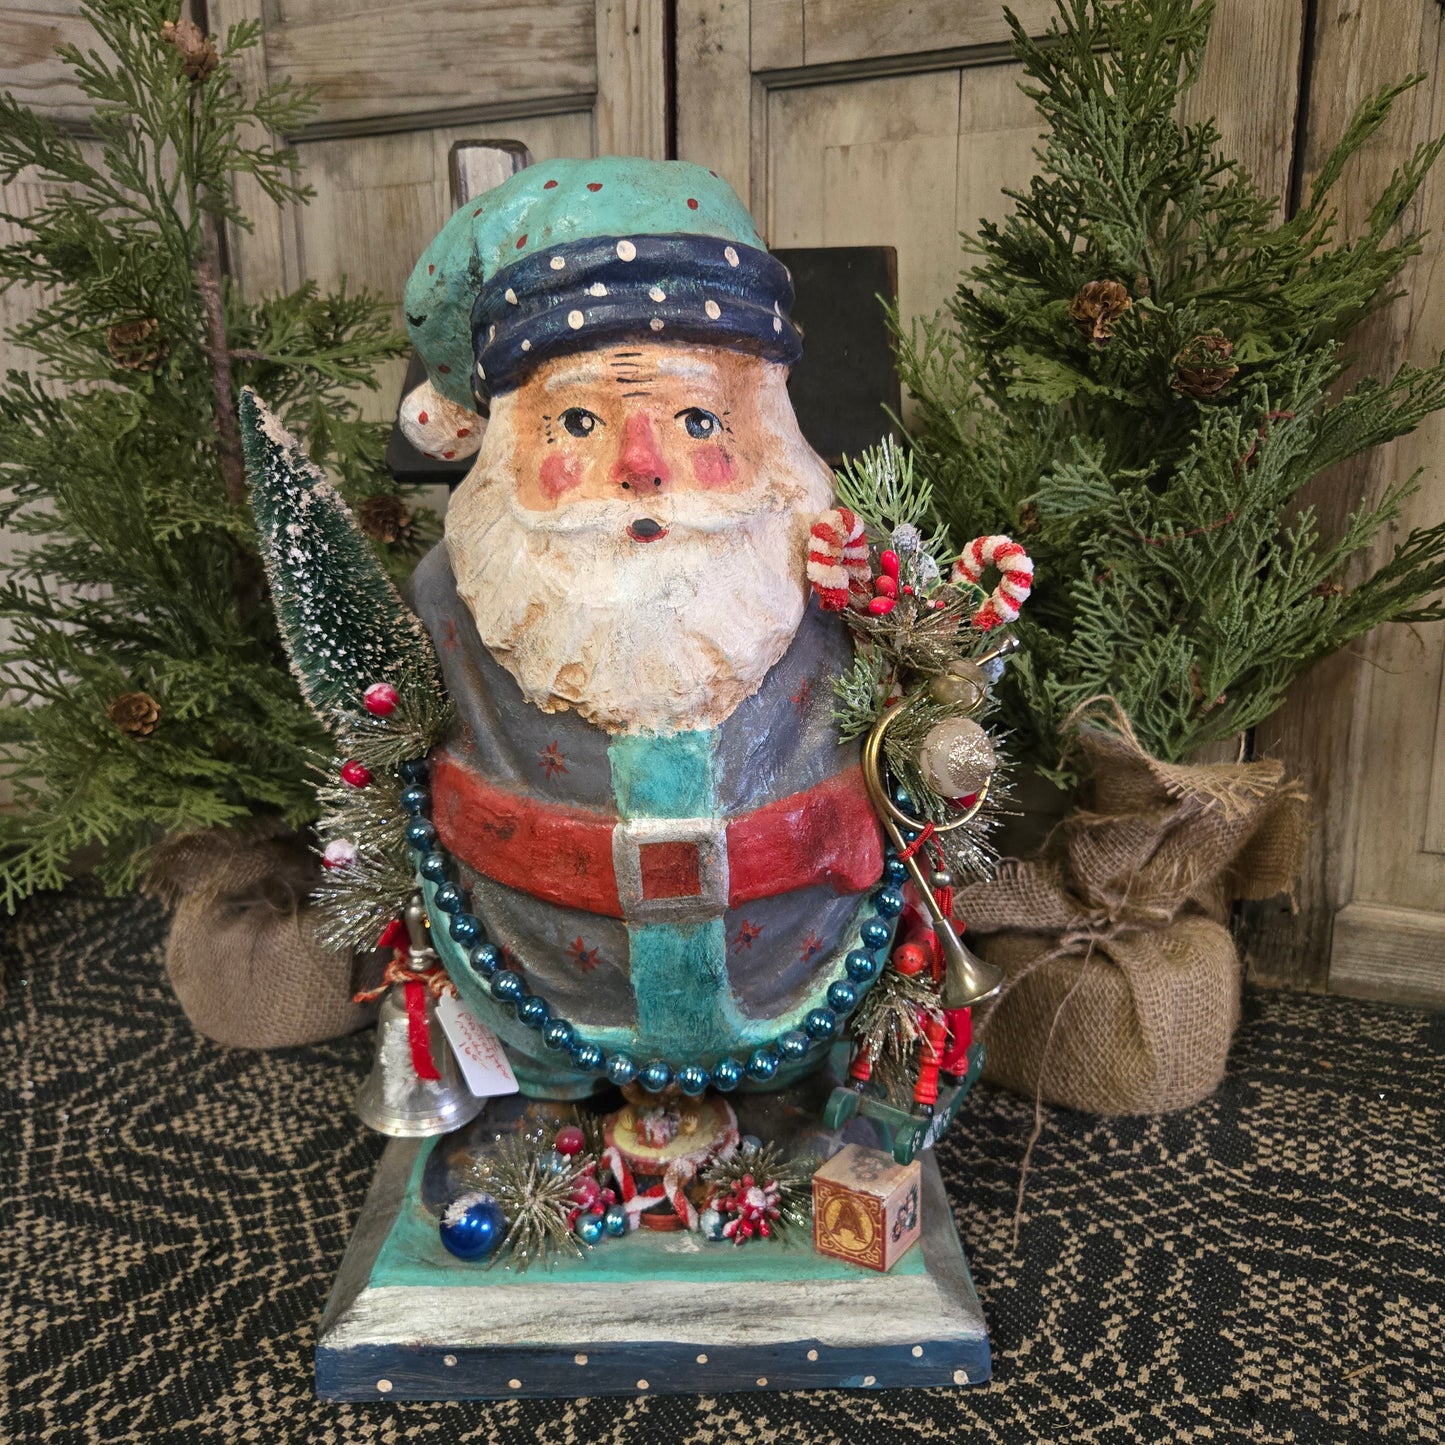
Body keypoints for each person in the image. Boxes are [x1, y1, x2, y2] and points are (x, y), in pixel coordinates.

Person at [401, 157, 883, 1097]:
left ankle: (791, 1095)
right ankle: (541, 1103)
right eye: (578, 418)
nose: (640, 463)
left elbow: (927, 721)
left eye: (697, 417)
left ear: (764, 432)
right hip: (538, 987)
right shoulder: (448, 594)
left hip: (804, 982)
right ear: (506, 445)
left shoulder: (837, 575)